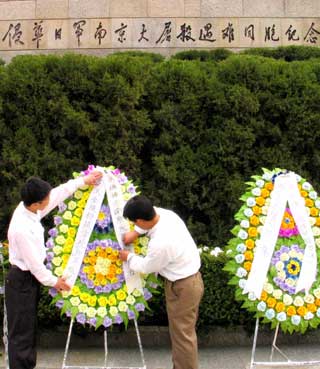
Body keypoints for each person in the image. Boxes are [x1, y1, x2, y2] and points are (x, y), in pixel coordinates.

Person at [5, 170, 102, 369]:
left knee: (29, 329)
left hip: (28, 279)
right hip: (21, 279)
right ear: (35, 203)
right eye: (45, 199)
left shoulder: (30, 209)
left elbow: (59, 193)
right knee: (21, 334)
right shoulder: (21, 228)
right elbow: (36, 267)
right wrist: (56, 282)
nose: (50, 200)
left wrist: (84, 181)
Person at [119, 195, 204, 369]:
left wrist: (129, 257)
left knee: (182, 335)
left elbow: (147, 266)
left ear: (141, 219)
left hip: (183, 286)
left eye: (135, 222)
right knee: (181, 333)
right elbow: (146, 224)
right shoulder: (165, 214)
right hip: (185, 280)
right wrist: (135, 233)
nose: (134, 225)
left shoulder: (161, 243)